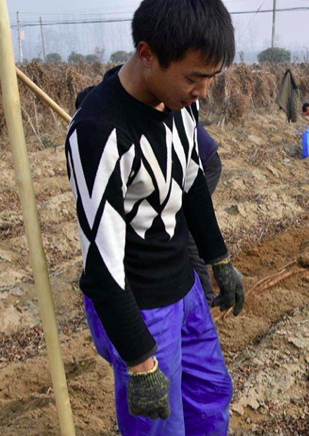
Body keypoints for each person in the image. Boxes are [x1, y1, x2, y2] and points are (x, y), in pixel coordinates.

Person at [65, 1, 244, 436]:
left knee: (210, 400)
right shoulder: (98, 130)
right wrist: (141, 361)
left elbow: (192, 186)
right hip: (138, 304)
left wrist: (218, 258)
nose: (202, 90)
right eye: (193, 77)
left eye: (210, 76)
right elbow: (100, 268)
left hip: (184, 289)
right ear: (147, 54)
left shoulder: (182, 104)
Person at [76, 79, 225, 308]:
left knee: (183, 226)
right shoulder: (110, 125)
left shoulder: (161, 113)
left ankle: (205, 297)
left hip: (204, 163)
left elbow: (185, 179)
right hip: (186, 168)